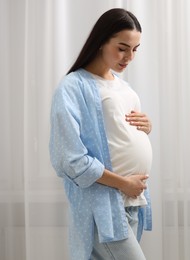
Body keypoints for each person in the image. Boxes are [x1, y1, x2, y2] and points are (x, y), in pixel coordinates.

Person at [49, 8, 152, 260]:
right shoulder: (73, 87)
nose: (129, 56)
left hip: (131, 203)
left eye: (135, 49)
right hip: (103, 205)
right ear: (101, 41)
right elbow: (70, 159)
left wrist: (145, 129)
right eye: (122, 47)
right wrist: (124, 183)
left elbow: (115, 130)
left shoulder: (122, 85)